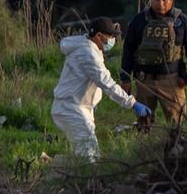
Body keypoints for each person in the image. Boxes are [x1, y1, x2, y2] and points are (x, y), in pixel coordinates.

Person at [51, 17, 152, 160]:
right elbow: (106, 83)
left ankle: (61, 172)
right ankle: (64, 175)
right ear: (99, 36)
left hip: (77, 107)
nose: (112, 40)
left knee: (89, 153)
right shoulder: (87, 53)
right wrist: (132, 103)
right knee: (88, 156)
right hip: (71, 109)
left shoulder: (90, 48)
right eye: (110, 36)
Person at [120, 0, 187, 126]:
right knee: (144, 124)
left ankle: (176, 148)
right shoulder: (138, 21)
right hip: (144, 81)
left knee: (177, 124)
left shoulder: (183, 22)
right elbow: (128, 51)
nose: (160, 3)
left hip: (172, 81)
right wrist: (125, 78)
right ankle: (145, 149)